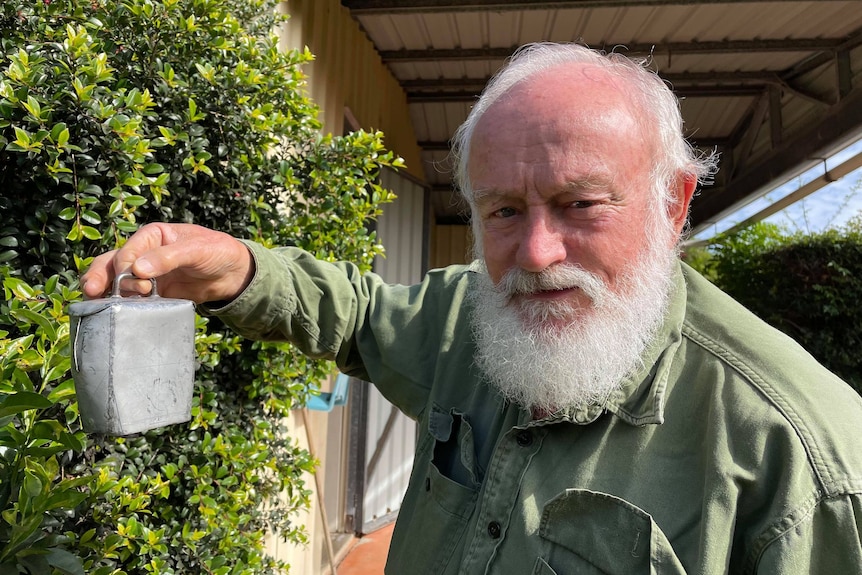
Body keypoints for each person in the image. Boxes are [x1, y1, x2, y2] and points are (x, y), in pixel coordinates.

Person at [81, 43, 862, 574]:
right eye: (502, 211)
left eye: (580, 203)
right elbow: (356, 314)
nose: (535, 254)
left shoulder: (803, 459)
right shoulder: (472, 315)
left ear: (672, 202)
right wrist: (240, 270)